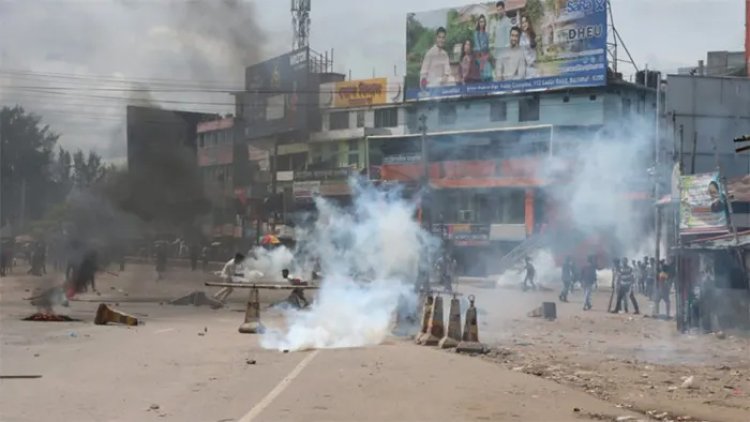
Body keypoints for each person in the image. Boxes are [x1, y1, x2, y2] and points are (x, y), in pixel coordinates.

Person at [473, 14, 493, 81]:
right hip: (479, 57)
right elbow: (477, 47)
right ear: (478, 23)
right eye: (480, 22)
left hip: (486, 57)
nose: (482, 23)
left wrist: (487, 55)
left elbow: (487, 47)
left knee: (489, 75)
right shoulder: (476, 34)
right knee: (482, 76)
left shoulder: (487, 34)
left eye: (483, 21)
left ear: (485, 23)